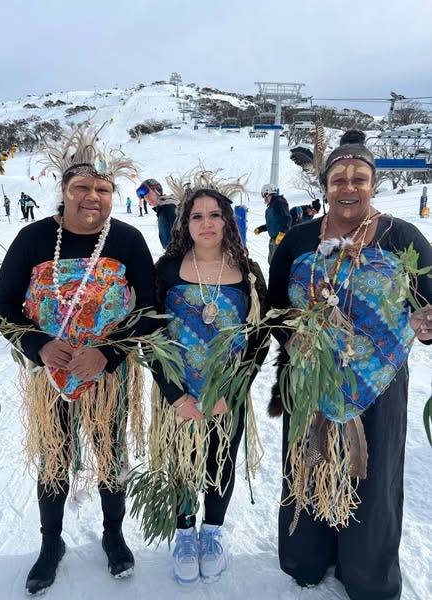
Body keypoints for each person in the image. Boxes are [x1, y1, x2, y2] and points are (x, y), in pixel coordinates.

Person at [266, 130, 432, 600]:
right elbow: (276, 307)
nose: (349, 186)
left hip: (378, 384)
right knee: (308, 460)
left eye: (360, 177)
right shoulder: (298, 239)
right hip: (310, 378)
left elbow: (428, 300)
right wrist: (300, 340)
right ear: (325, 184)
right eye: (339, 176)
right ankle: (307, 556)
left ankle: (367, 574)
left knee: (372, 473)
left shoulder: (401, 236)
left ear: (373, 183)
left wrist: (426, 323)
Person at [0, 127, 158, 595]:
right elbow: (2, 308)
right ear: (63, 193)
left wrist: (108, 353)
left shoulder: (125, 240)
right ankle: (51, 543)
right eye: (81, 188)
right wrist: (39, 346)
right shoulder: (33, 238)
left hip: (107, 375)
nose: (92, 197)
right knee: (54, 459)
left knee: (110, 456)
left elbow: (149, 306)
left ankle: (113, 534)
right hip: (51, 377)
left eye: (103, 190)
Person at [150, 171, 269, 585]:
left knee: (221, 461)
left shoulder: (249, 271)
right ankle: (184, 533)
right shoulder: (165, 270)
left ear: (227, 222)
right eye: (196, 215)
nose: (206, 223)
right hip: (178, 394)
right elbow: (150, 335)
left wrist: (233, 394)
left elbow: (259, 340)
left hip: (226, 396)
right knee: (182, 464)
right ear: (184, 223)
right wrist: (176, 396)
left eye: (214, 215)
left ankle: (212, 531)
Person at [253, 184, 291, 263]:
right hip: (274, 239)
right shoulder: (271, 206)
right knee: (271, 261)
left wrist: (282, 233)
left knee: (278, 262)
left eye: (264, 195)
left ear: (267, 193)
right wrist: (261, 229)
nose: (264, 198)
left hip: (280, 239)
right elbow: (272, 224)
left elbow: (287, 219)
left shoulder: (279, 202)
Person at [136, 178, 178, 248]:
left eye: (148, 194)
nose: (147, 199)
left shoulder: (169, 208)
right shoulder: (164, 208)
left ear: (157, 191)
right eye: (145, 197)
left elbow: (179, 237)